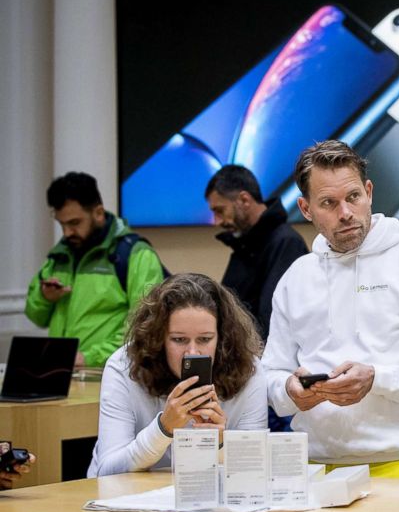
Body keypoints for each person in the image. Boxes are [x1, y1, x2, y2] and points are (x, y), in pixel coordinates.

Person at [263, 141, 399, 480]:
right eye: (329, 203)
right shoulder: (297, 277)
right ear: (305, 209)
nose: (345, 213)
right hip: (311, 470)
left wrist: (377, 378)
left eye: (353, 197)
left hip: (395, 465)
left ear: (369, 192)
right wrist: (289, 391)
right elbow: (271, 374)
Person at [87, 273, 268, 477]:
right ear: (158, 338)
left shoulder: (249, 369)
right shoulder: (123, 366)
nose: (192, 352)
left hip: (210, 498)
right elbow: (107, 471)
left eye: (204, 339)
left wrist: (219, 444)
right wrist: (163, 429)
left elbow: (253, 470)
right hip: (129, 498)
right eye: (179, 340)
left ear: (222, 338)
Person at [25, 172, 165, 368]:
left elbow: (145, 326)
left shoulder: (135, 254)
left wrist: (88, 358)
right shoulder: (59, 257)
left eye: (74, 223)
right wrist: (45, 298)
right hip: (60, 375)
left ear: (98, 213)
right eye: (61, 224)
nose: (66, 233)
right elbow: (35, 316)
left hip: (110, 375)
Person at [205, 165, 308, 339]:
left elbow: (272, 321)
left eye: (220, 210)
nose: (216, 221)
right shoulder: (245, 244)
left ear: (244, 200)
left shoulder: (286, 243)